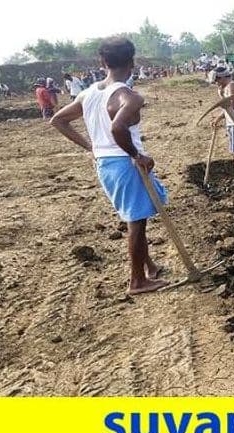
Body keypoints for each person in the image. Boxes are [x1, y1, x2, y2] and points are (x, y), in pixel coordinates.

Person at [50, 37, 169, 295]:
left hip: (105, 164)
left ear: (102, 62)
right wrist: (137, 155)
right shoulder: (129, 96)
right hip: (125, 164)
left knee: (133, 216)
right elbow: (118, 127)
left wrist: (91, 147)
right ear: (132, 62)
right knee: (136, 223)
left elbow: (58, 120)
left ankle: (149, 267)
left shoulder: (87, 93)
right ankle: (138, 281)